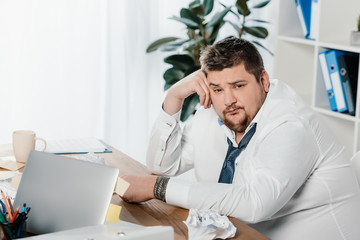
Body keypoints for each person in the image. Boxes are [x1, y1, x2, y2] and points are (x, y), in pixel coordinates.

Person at [121, 37, 360, 239]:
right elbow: (161, 166)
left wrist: (157, 188)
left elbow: (255, 204)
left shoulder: (291, 125)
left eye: (238, 86)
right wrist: (174, 97)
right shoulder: (214, 115)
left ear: (263, 81)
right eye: (217, 89)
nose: (228, 100)